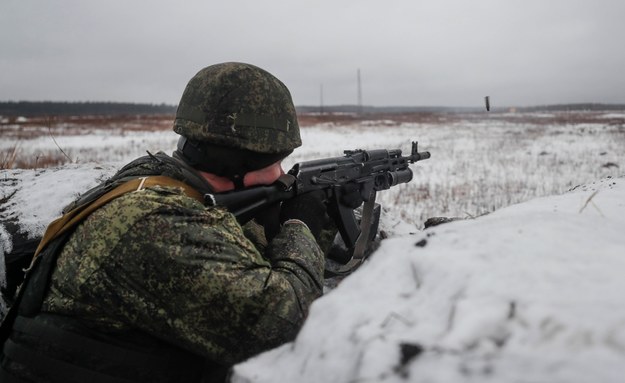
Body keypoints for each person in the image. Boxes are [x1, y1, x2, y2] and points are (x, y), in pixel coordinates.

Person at [0, 62, 328, 382]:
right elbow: (281, 327)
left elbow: (227, 249)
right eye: (276, 162)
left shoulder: (155, 183)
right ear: (238, 163)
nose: (282, 175)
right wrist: (300, 225)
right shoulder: (155, 224)